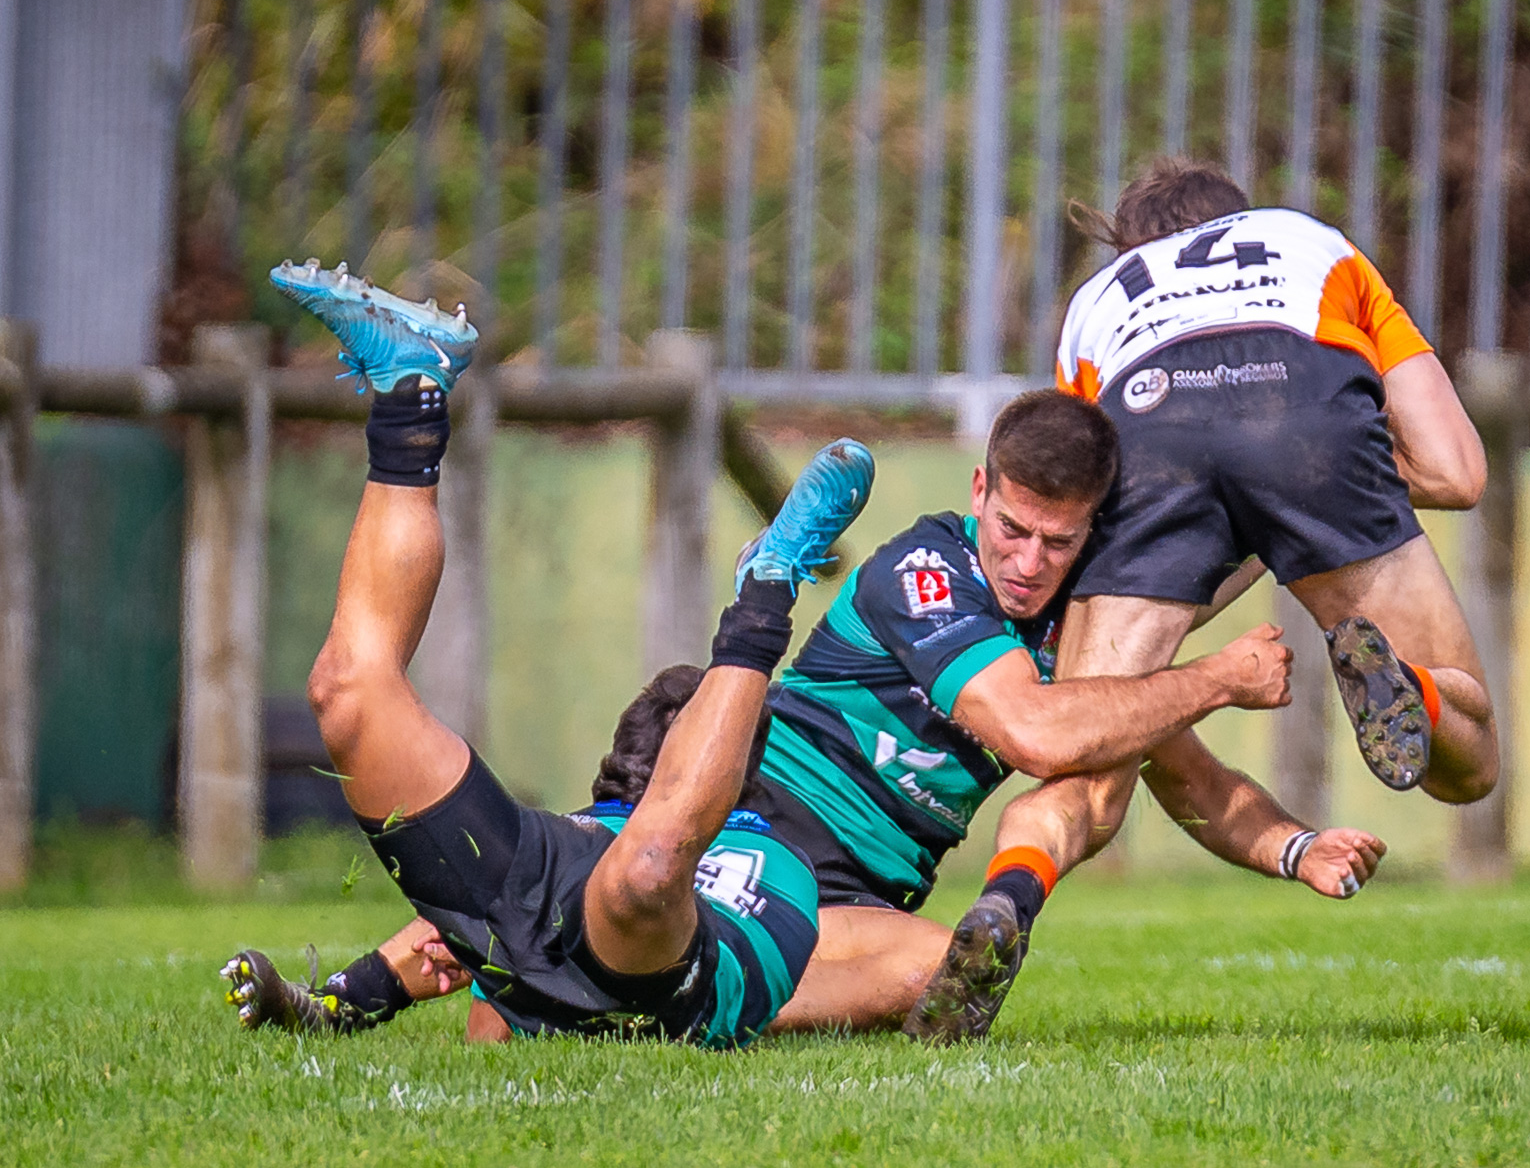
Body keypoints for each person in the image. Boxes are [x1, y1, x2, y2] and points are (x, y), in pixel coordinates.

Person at [224, 276, 1373, 1037]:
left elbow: (1174, 773)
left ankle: (423, 415)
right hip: (750, 832)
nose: (1023, 561)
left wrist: (1296, 843)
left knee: (617, 927)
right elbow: (1034, 732)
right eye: (1010, 528)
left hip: (805, 889)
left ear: (1090, 535)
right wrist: (1222, 674)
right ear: (978, 492)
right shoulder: (929, 572)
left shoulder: (1090, 640)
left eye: (1055, 544)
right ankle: (428, 411)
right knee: (353, 700)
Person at [910, 156, 1496, 1043]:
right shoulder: (1313, 245)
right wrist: (1306, 507)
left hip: (1152, 429)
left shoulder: (1100, 300)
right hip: (1310, 421)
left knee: (1086, 766)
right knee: (1471, 760)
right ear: (1237, 219)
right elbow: (1457, 470)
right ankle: (1408, 681)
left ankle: (1007, 896)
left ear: (1133, 244)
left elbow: (1083, 488)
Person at [225, 258, 873, 1046]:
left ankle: (767, 589)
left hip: (671, 965)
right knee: (347, 693)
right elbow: (440, 936)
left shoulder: (769, 863)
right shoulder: (569, 841)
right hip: (576, 895)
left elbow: (661, 865)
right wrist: (337, 998)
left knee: (646, 868)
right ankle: (410, 394)